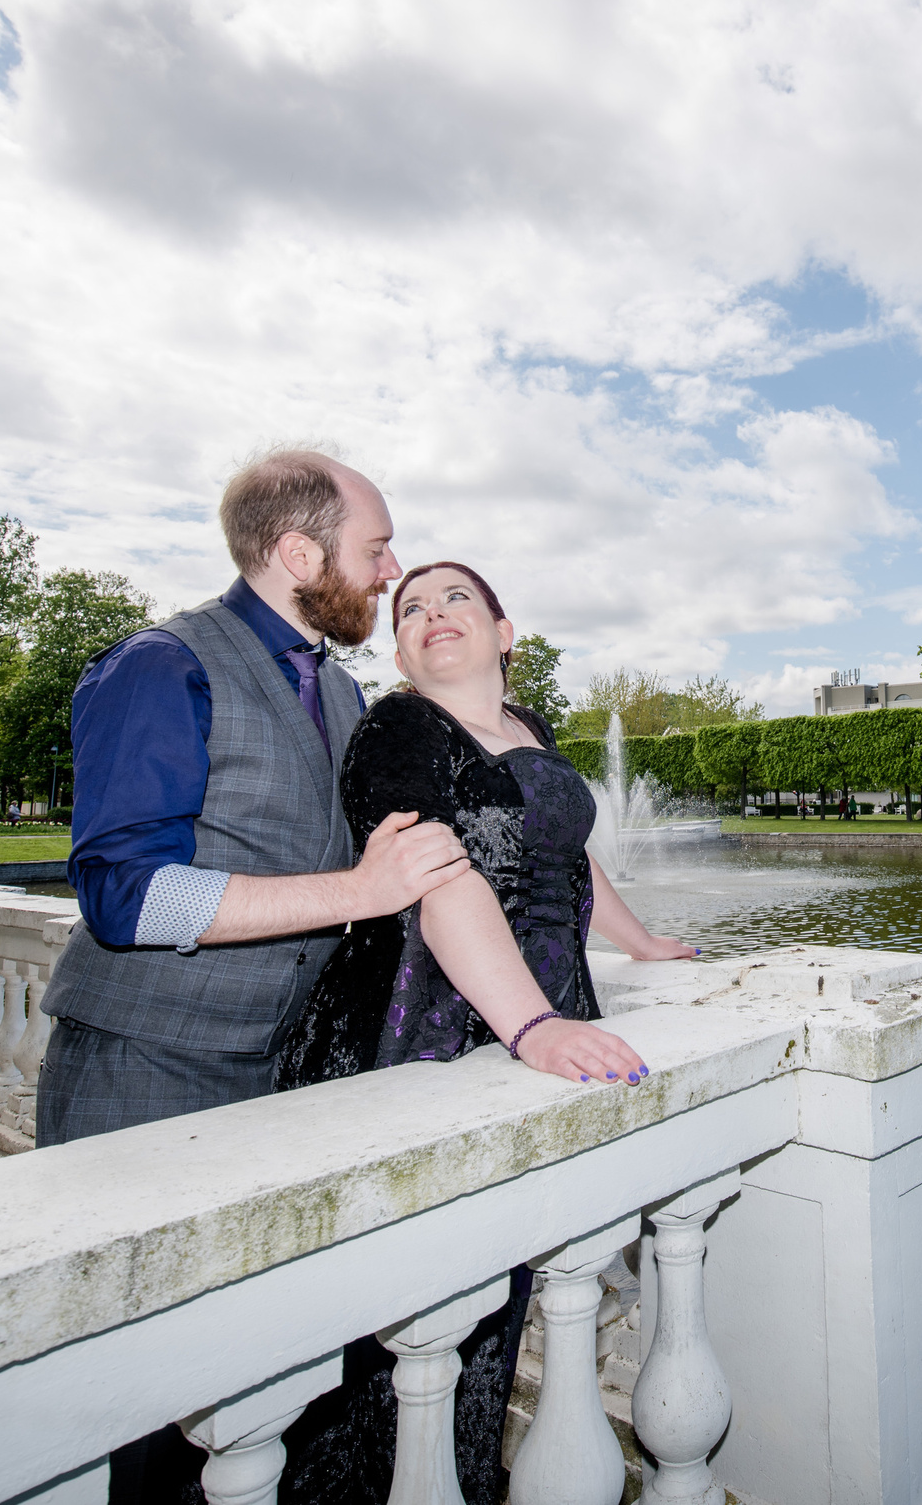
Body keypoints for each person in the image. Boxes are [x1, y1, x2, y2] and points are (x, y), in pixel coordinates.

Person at [265, 560, 696, 1505]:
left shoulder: (529, 729)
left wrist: (642, 941)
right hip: (421, 1021)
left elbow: (569, 855)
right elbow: (434, 874)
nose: (430, 613)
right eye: (411, 608)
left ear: (506, 631)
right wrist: (533, 1025)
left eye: (455, 597)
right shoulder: (399, 728)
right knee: (402, 1311)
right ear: (402, 650)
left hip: (526, 1009)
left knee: (498, 1297)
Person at [37, 447, 472, 1144]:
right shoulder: (160, 664)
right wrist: (361, 892)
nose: (391, 571)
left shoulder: (340, 689)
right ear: (300, 555)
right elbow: (128, 896)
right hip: (143, 1067)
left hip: (284, 1066)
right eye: (377, 549)